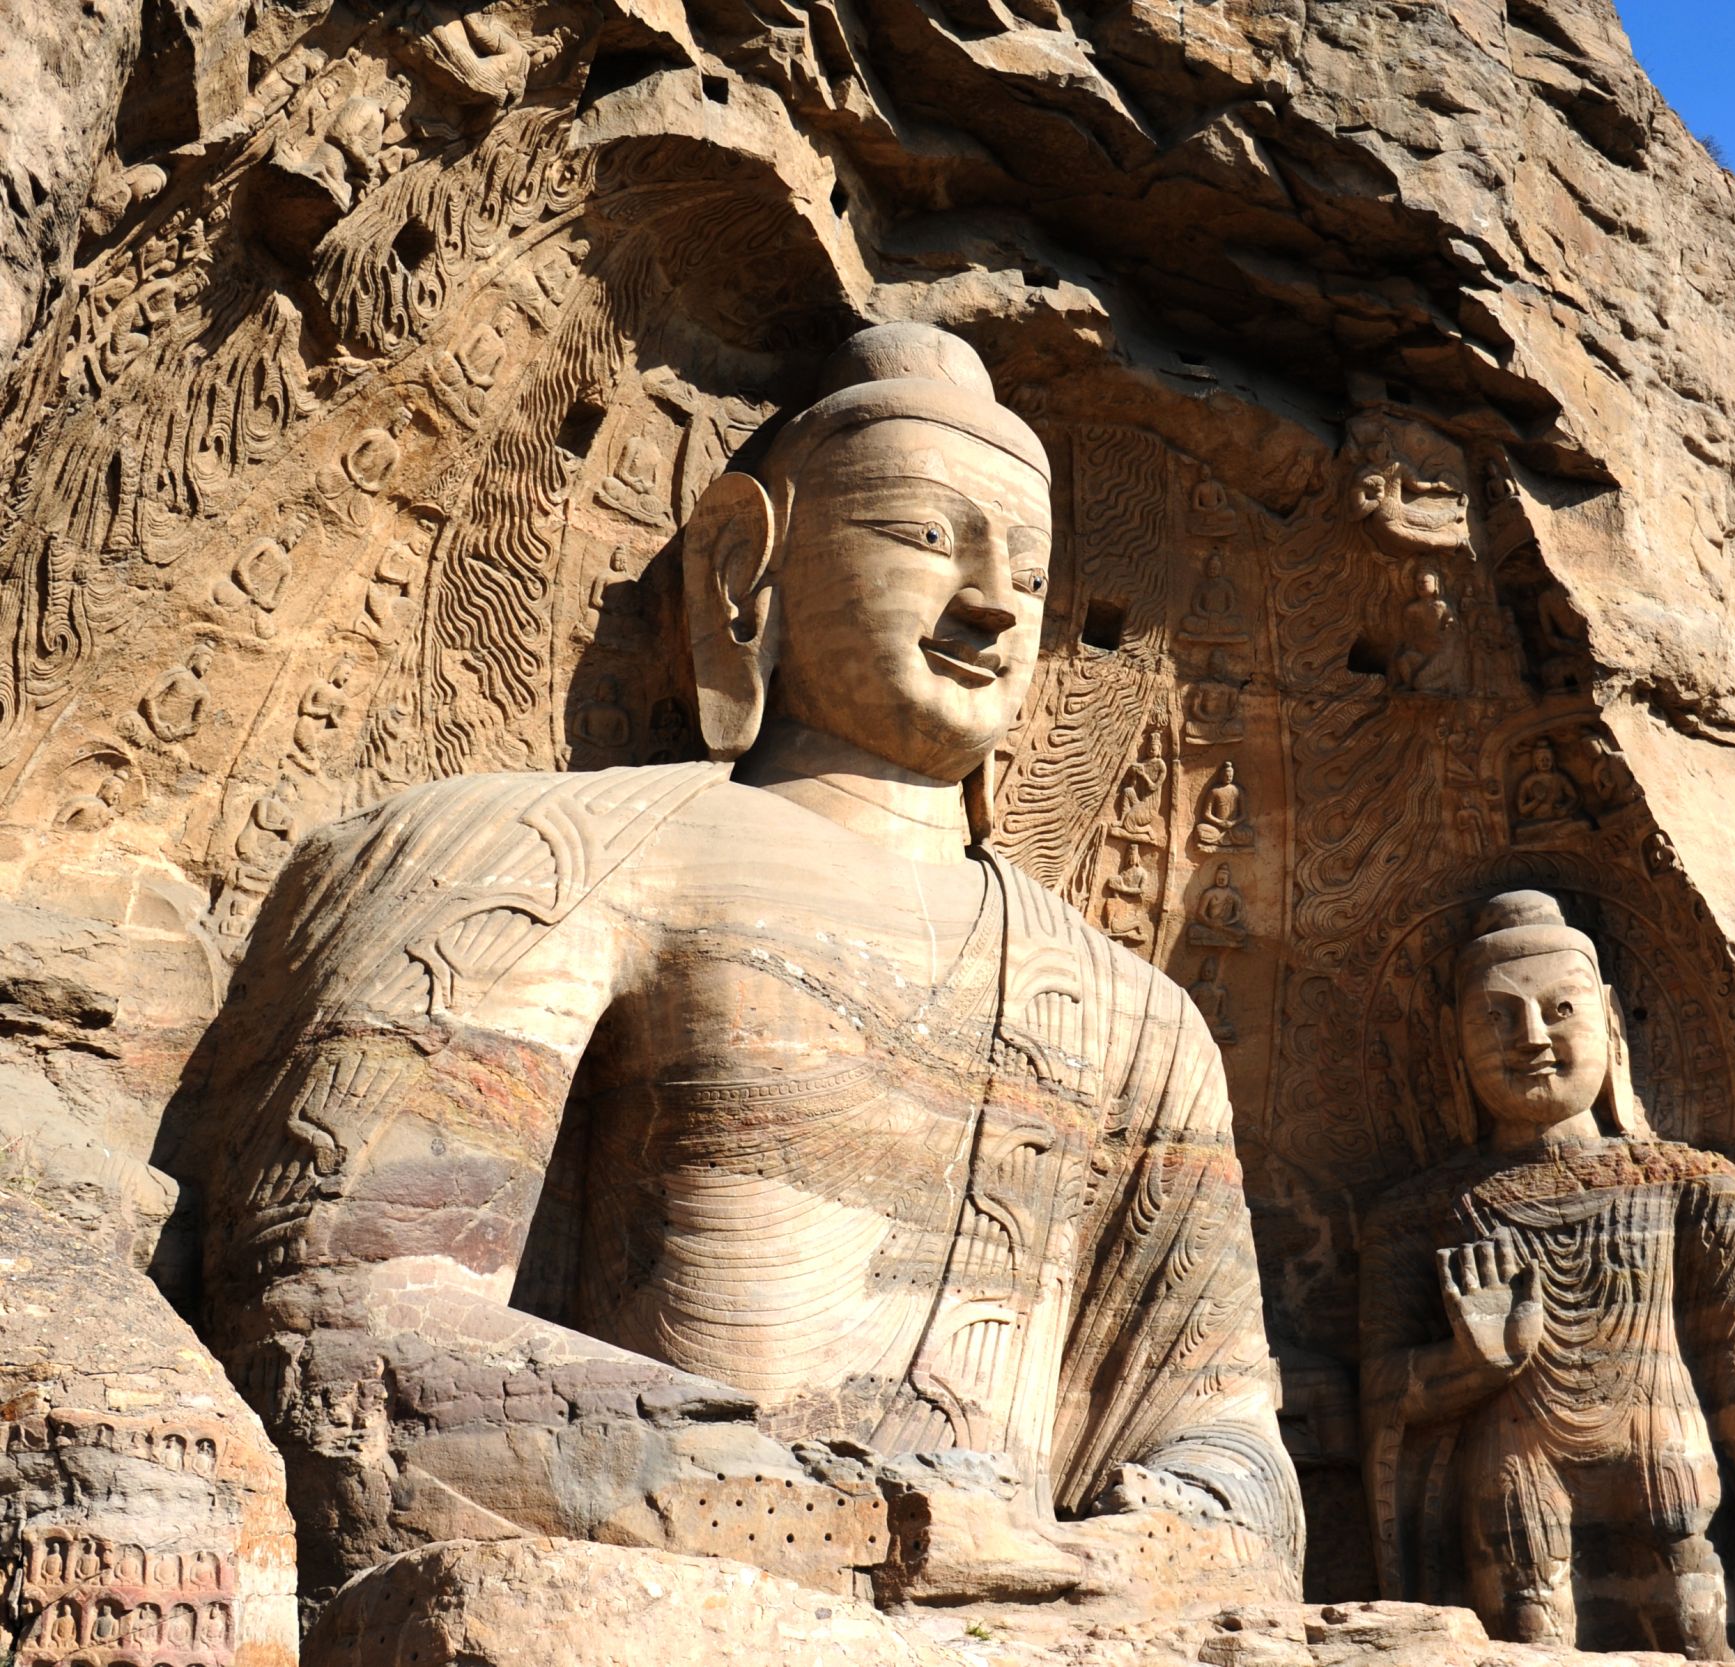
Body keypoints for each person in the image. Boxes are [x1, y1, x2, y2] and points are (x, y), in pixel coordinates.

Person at [192, 324, 1300, 1617]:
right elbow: (342, 1326)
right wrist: (864, 1517)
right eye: (928, 537)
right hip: (680, 1590)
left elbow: (1234, 1455)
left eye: (1034, 573)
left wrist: (1123, 1553)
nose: (994, 602)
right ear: (742, 563)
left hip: (1041, 1604)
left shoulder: (1136, 1017)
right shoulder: (550, 854)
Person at [1358, 892, 1735, 1659]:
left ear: (1612, 1022)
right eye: (1496, 1015)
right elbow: (1382, 1387)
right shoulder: (1419, 1213)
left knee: (1698, 1619)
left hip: (1668, 1459)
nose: (1530, 1038)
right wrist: (1468, 1364)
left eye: (1560, 1009)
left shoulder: (1693, 1181)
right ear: (1451, 1044)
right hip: (1515, 1476)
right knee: (1528, 1623)